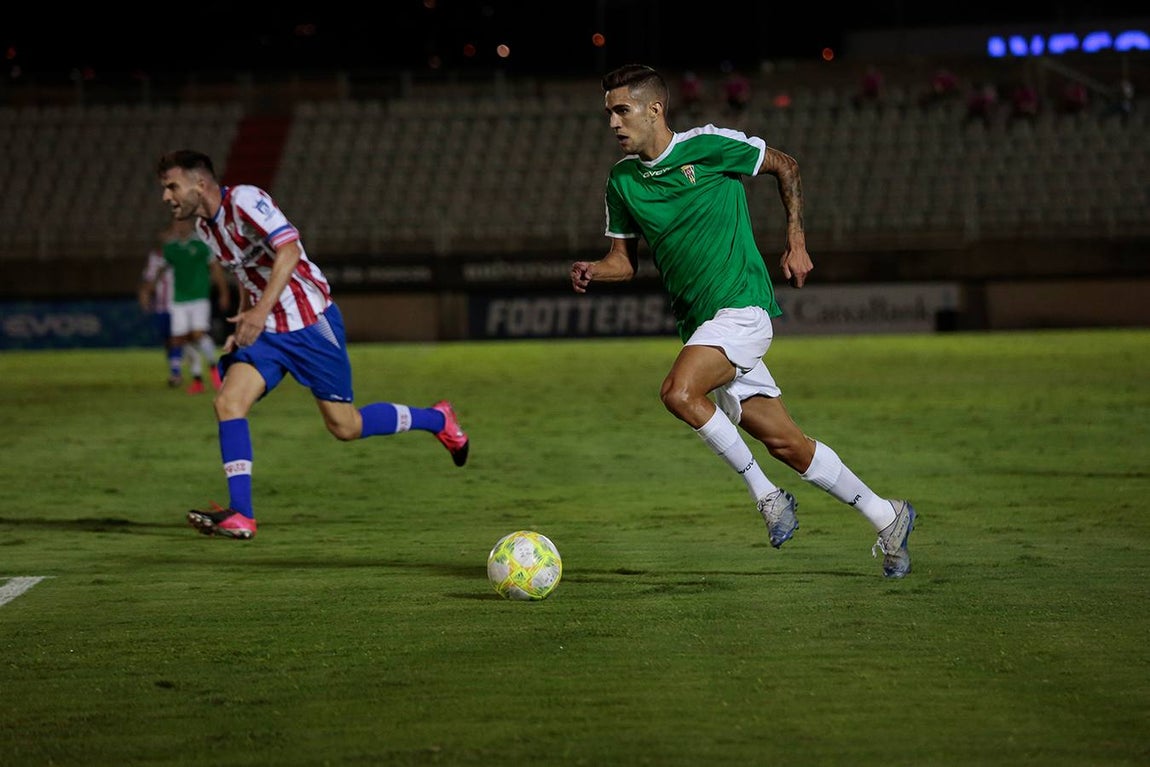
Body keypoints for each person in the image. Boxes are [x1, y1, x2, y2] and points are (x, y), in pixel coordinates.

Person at [570, 64, 917, 578]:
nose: (614, 123)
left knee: (678, 393)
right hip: (703, 328)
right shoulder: (622, 182)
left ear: (655, 109)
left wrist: (796, 242)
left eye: (622, 110)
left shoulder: (709, 146)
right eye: (609, 114)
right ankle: (887, 515)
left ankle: (769, 499)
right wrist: (593, 270)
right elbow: (624, 261)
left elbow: (787, 165)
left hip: (743, 310)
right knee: (785, 443)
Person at [155, 149, 470, 540]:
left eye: (172, 186)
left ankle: (438, 419)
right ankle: (242, 514)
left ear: (199, 183)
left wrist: (258, 311)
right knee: (228, 403)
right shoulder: (206, 230)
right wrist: (244, 319)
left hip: (311, 325)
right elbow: (246, 275)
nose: (167, 197)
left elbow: (288, 250)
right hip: (268, 331)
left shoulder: (245, 201)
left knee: (345, 426)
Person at [148, 216, 233, 394]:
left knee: (196, 334)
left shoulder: (202, 245)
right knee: (181, 339)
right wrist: (151, 288)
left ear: (189, 224)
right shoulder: (170, 248)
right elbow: (162, 268)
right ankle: (197, 379)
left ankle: (213, 368)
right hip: (178, 299)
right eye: (176, 224)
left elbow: (216, 269)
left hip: (199, 297)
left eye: (183, 223)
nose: (180, 227)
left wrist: (223, 292)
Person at [137, 232, 182, 387]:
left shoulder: (181, 255)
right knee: (167, 341)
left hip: (179, 304)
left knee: (176, 338)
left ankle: (177, 373)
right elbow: (148, 281)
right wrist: (145, 296)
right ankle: (175, 369)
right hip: (162, 306)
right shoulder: (155, 258)